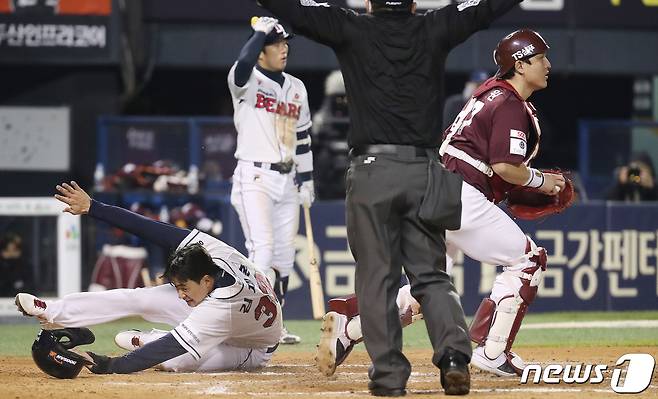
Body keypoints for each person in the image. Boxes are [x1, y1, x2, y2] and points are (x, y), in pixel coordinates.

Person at [256, 0, 523, 396]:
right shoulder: (434, 27)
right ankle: (453, 358)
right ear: (414, 3)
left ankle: (389, 377)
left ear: (369, 2)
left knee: (378, 280)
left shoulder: (350, 27)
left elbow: (295, 8)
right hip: (424, 171)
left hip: (371, 173)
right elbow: (484, 7)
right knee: (431, 276)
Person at [317, 28, 566, 381]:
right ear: (521, 64)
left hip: (431, 187)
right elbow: (504, 167)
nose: (548, 65)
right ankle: (493, 351)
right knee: (528, 259)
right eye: (540, 58)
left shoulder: (489, 95)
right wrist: (541, 181)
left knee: (429, 286)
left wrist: (513, 185)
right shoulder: (507, 101)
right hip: (459, 192)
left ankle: (351, 324)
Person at [15, 181, 282, 373]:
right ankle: (50, 310)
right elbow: (152, 229)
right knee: (139, 298)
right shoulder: (211, 254)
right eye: (176, 286)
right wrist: (93, 207)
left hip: (249, 346)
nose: (179, 293)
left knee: (175, 362)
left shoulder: (223, 305)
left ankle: (146, 338)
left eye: (183, 287)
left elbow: (170, 348)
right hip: (225, 309)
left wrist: (109, 364)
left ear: (206, 280)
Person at [227, 16, 315, 345]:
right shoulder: (246, 81)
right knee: (261, 251)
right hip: (254, 175)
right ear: (261, 51)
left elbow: (303, 137)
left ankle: (276, 324)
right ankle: (249, 324)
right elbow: (240, 68)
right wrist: (259, 33)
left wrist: (307, 180)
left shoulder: (296, 87)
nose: (284, 49)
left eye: (284, 43)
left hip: (288, 178)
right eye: (276, 44)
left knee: (284, 257)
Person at [0, 232, 32, 297]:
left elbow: (30, 286)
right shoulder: (2, 266)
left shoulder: (25, 266)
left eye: (14, 250)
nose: (11, 254)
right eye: (8, 251)